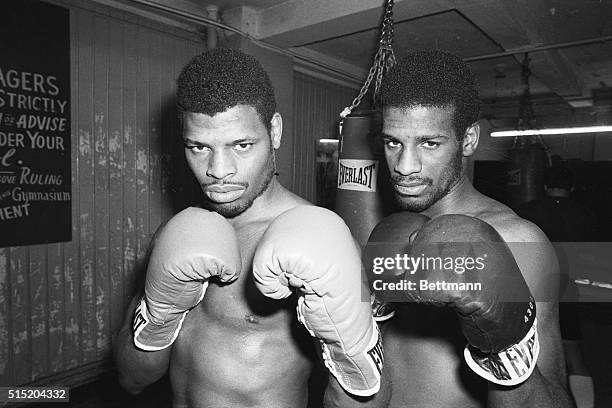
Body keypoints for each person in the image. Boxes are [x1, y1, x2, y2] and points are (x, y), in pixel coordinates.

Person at [113, 48, 387, 408]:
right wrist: (156, 317)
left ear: (274, 130)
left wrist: (348, 352)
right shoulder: (177, 231)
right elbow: (133, 379)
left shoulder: (324, 241)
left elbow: (370, 404)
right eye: (198, 147)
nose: (219, 171)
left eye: (241, 145)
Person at [363, 50, 573, 407]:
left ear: (469, 139)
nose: (405, 166)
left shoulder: (516, 239)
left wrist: (506, 348)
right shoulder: (390, 231)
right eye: (393, 142)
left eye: (429, 143)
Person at [516, 164, 597, 408]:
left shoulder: (525, 212)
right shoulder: (586, 215)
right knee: (572, 352)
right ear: (571, 187)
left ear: (543, 186)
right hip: (568, 286)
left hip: (532, 285)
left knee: (528, 350)